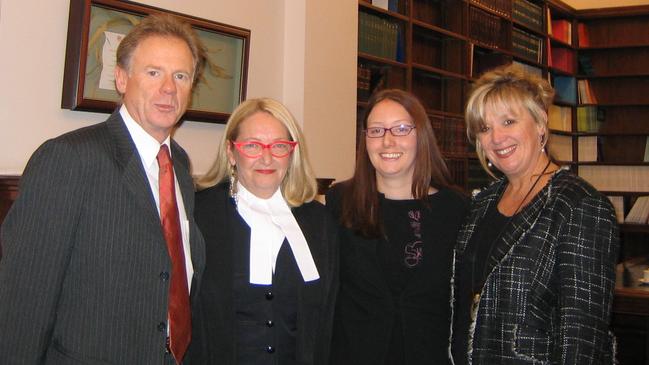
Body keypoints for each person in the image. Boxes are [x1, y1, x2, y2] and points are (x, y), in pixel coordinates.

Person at [0, 14, 206, 364]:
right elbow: (24, 300)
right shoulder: (69, 158)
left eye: (180, 76)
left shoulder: (180, 167)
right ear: (122, 79)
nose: (169, 88)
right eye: (153, 72)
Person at [451, 65, 619, 364]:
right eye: (485, 128)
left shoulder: (579, 206)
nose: (497, 137)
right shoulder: (481, 204)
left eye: (508, 121)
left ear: (541, 123)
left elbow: (582, 341)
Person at [187, 98, 338, 365]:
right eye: (253, 146)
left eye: (279, 146)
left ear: (292, 154)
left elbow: (327, 320)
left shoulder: (319, 222)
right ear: (231, 152)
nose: (267, 157)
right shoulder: (199, 216)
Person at [326, 89, 468, 364]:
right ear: (365, 139)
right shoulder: (337, 203)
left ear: (421, 136)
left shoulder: (457, 209)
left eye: (401, 129)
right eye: (376, 130)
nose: (388, 141)